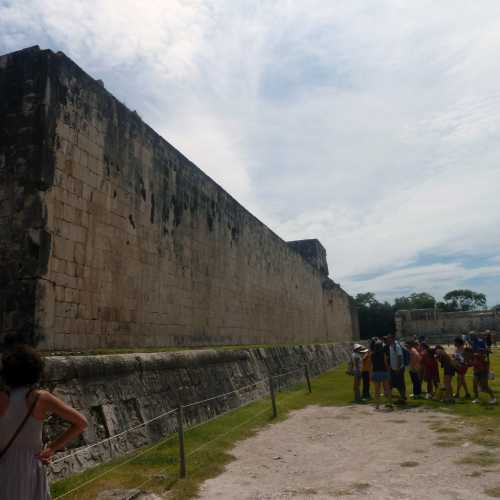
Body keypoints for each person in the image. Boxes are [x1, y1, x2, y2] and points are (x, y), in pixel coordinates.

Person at [0, 345, 88, 500]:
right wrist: (52, 448)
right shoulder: (40, 398)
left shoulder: (2, 398)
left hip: (4, 464)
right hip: (32, 465)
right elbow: (81, 423)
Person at [370, 340, 392, 410]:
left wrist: (371, 374)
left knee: (377, 390)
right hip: (383, 372)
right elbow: (386, 364)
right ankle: (389, 403)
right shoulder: (383, 354)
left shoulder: (372, 354)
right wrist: (389, 372)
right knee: (387, 389)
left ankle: (377, 405)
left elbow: (371, 365)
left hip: (375, 372)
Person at [387, 335, 406, 403]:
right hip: (393, 368)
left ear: (392, 339)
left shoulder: (396, 346)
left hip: (398, 368)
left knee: (400, 383)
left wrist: (398, 368)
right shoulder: (391, 346)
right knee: (392, 383)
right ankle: (400, 397)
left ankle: (403, 397)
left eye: (389, 338)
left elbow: (399, 357)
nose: (388, 340)